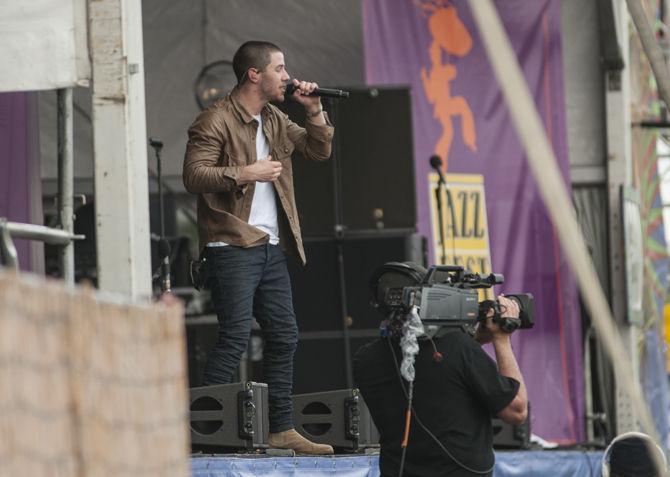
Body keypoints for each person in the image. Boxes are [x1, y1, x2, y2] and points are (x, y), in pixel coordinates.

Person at [183, 40, 334, 454]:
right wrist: (247, 172)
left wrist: (314, 110)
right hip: (231, 243)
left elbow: (319, 150)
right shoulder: (215, 119)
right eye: (280, 68)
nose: (287, 76)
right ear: (255, 74)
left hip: (268, 245)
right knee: (234, 339)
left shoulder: (274, 118)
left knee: (284, 335)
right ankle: (206, 428)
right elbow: (194, 176)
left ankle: (280, 427)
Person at [354, 295, 528, 476]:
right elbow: (516, 410)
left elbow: (434, 375)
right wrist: (501, 338)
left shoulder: (364, 360)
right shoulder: (459, 347)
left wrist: (474, 342)